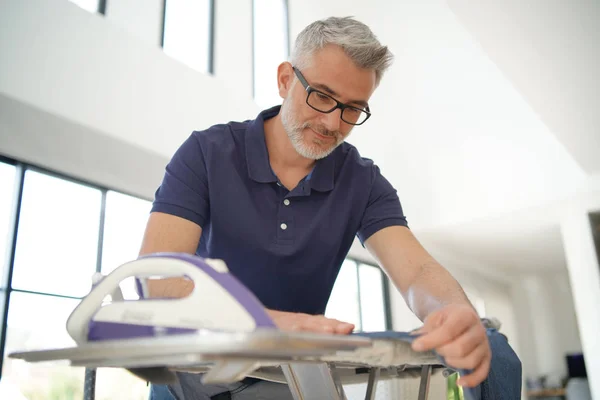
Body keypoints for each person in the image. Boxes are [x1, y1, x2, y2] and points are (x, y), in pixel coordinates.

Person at [142, 16, 491, 400]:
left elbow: (418, 270)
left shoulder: (363, 181)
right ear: (285, 79)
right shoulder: (206, 154)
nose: (332, 123)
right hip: (191, 373)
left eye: (353, 109)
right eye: (322, 96)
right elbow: (160, 284)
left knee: (495, 343)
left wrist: (454, 310)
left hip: (283, 379)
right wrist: (272, 325)